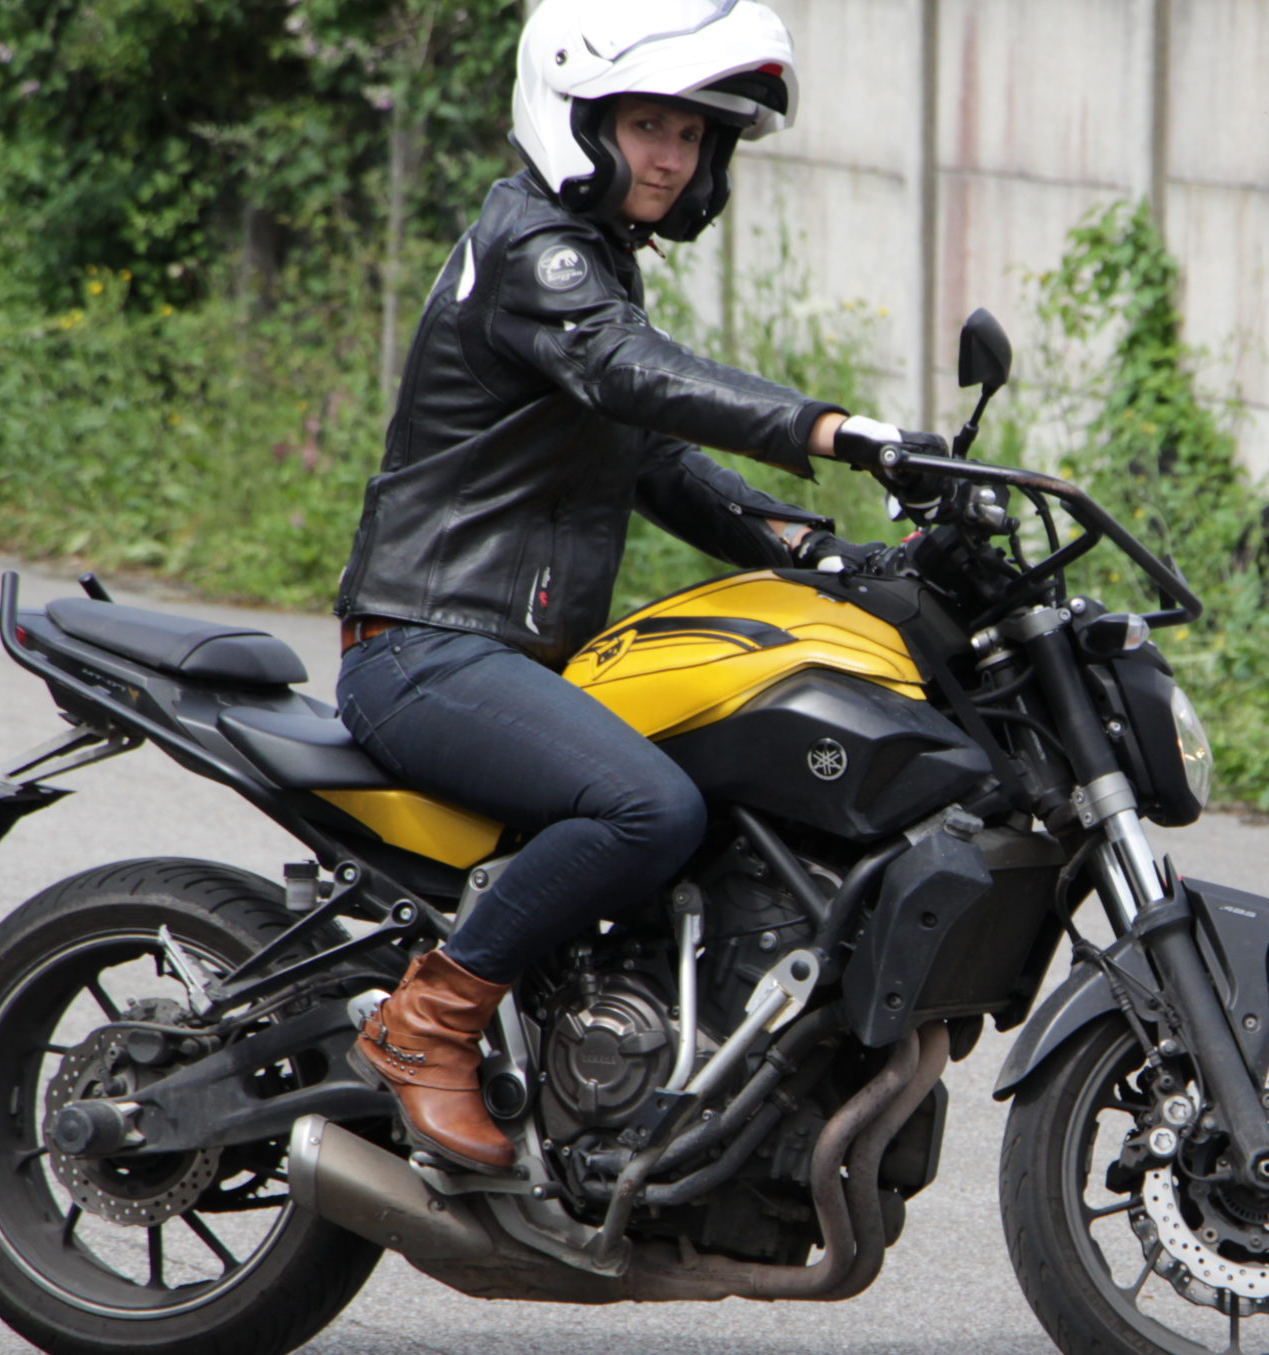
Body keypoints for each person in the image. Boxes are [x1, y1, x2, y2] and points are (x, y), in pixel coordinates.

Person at [333, 0, 924, 1173]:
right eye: (650, 125)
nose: (672, 157)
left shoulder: (592, 264)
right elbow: (627, 374)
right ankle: (427, 1025)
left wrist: (813, 551)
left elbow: (648, 459)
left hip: (507, 659)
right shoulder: (536, 248)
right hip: (425, 649)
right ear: (579, 117)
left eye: (693, 136)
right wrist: (828, 426)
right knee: (648, 808)